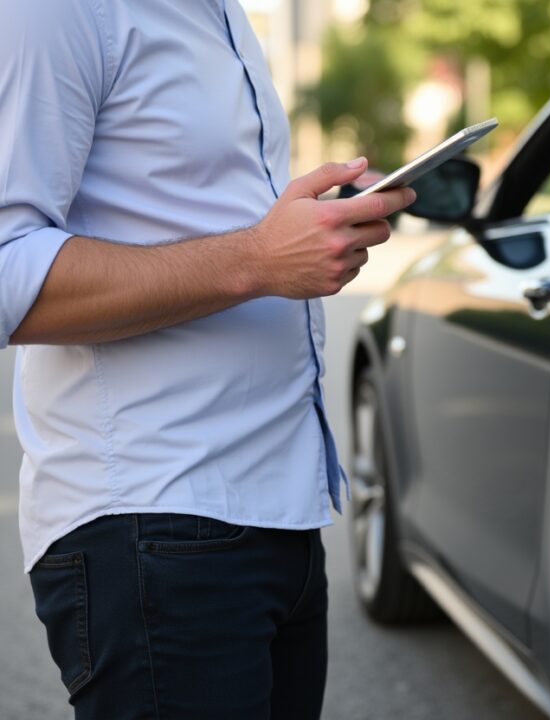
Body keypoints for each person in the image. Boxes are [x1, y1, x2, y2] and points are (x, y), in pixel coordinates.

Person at [0, 1, 414, 718]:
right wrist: (257, 258)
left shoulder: (217, 10)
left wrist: (300, 234)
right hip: (153, 524)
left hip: (280, 514)